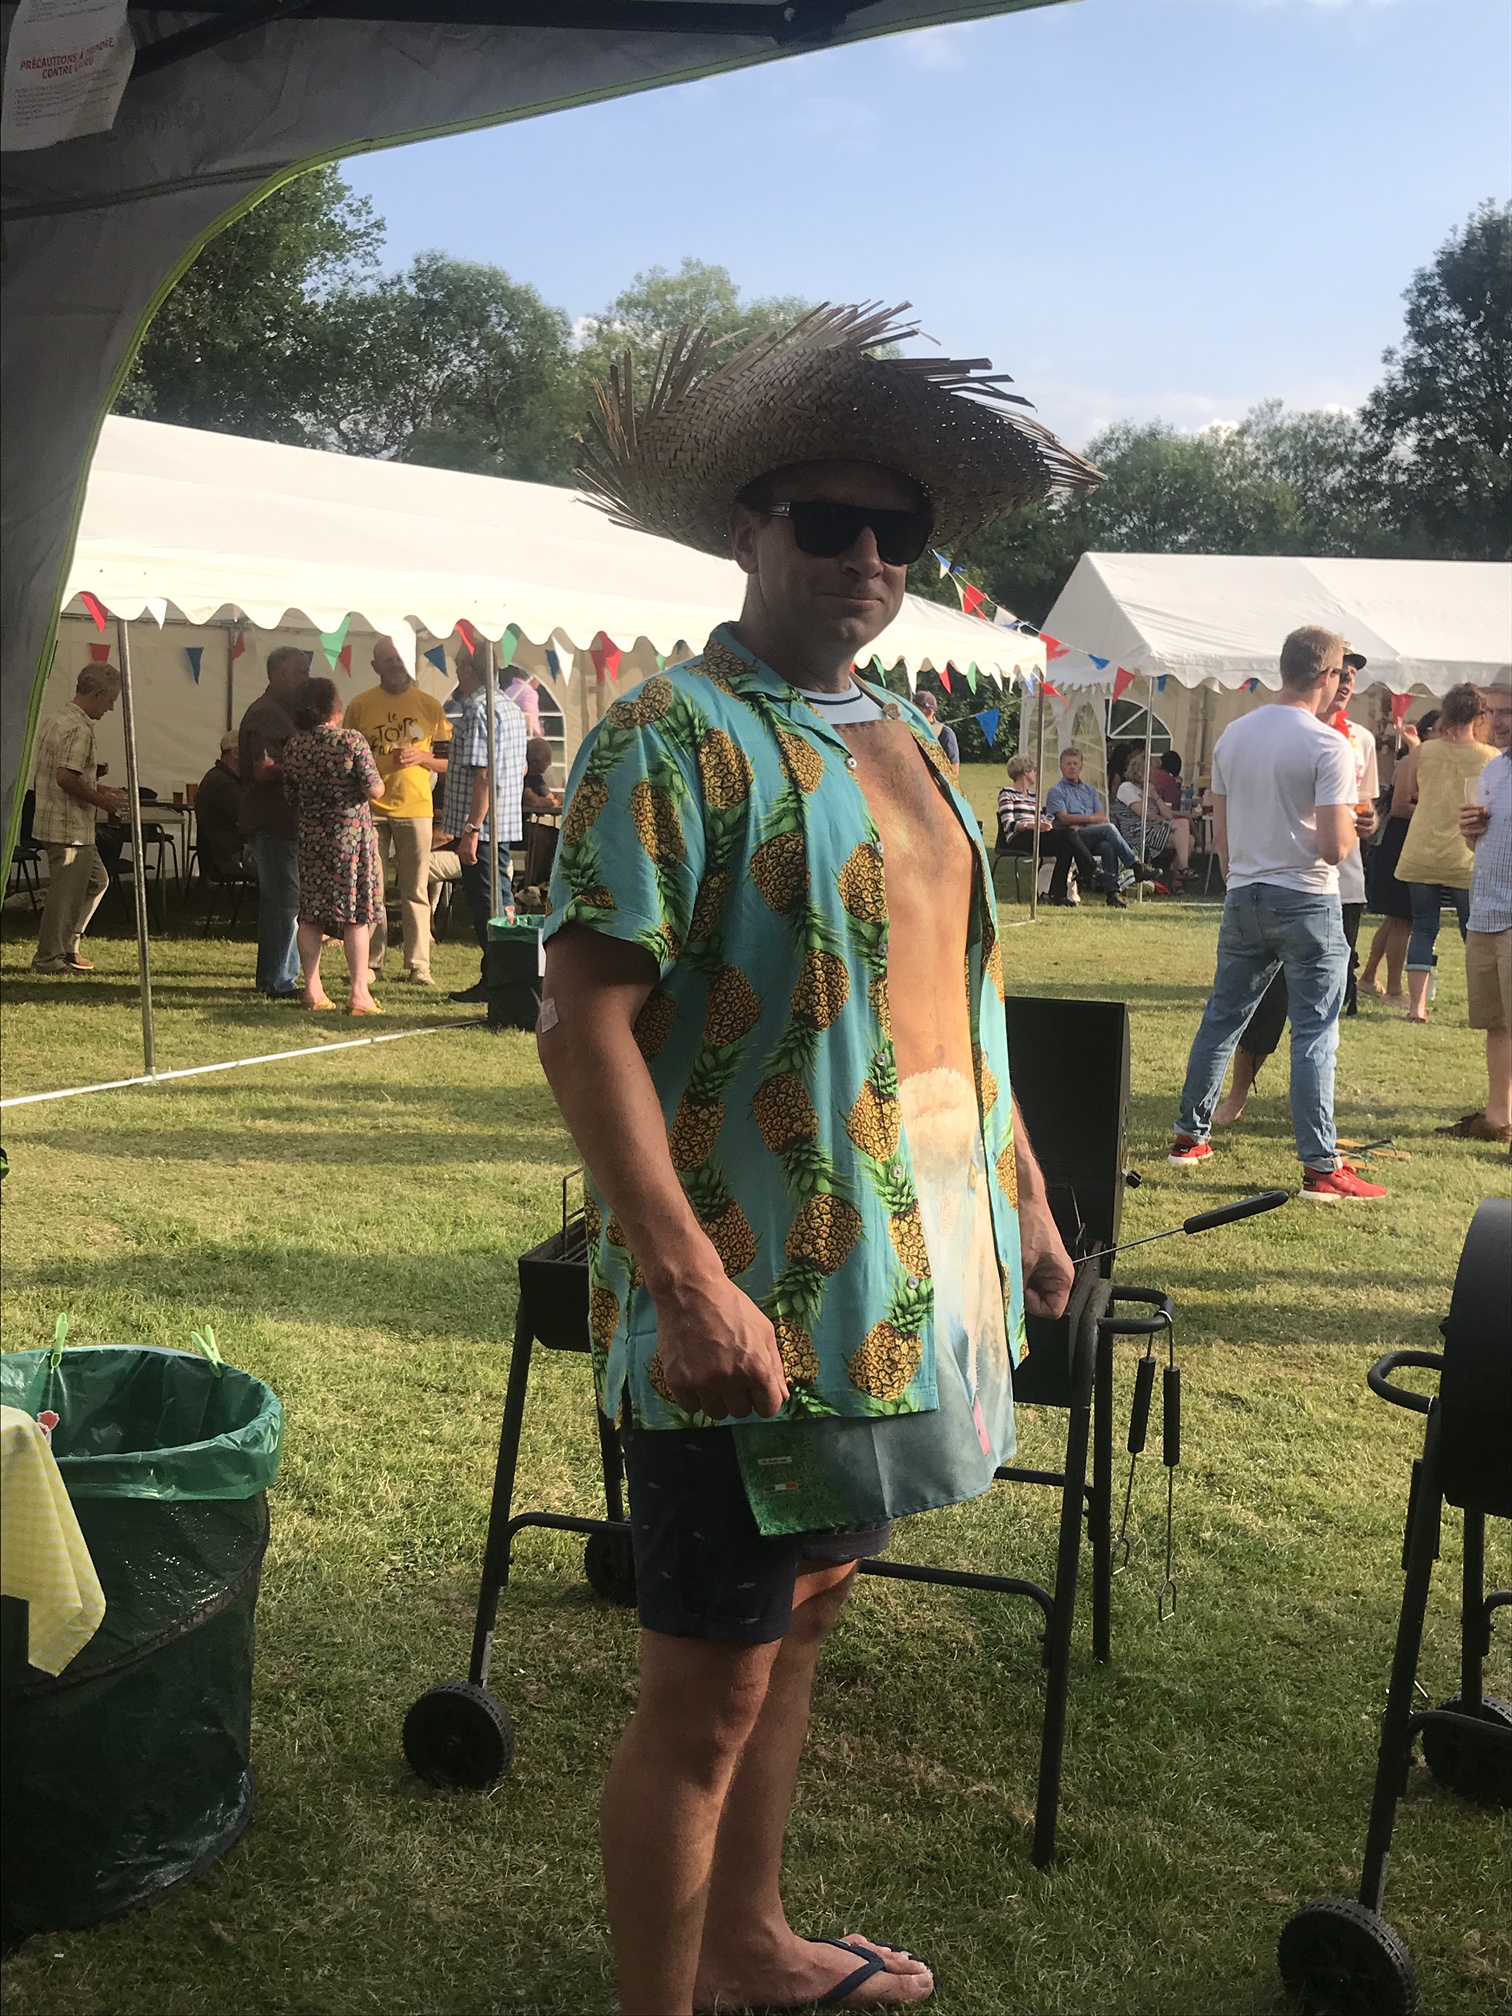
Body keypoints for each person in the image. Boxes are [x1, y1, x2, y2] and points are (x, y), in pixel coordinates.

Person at [542, 304, 1090, 2016]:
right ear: (746, 531)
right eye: (828, 521)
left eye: (895, 532)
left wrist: (1025, 1198)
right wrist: (684, 1282)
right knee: (704, 1691)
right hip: (751, 1292)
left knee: (805, 1619)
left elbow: (954, 1003)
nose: (866, 558)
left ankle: (753, 1945)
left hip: (900, 1285)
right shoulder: (671, 733)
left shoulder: (906, 736)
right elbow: (581, 1022)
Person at [1167, 625, 1386, 1201]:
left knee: (1223, 1018)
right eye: (1341, 675)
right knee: (1314, 1032)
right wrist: (1356, 825)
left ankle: (1190, 1137)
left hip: (1244, 892)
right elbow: (1334, 849)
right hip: (1307, 897)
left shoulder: (1233, 735)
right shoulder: (1328, 744)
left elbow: (1222, 837)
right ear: (1327, 676)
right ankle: (1320, 1166)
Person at [344, 636, 451, 988]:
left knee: (415, 888)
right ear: (375, 666)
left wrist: (423, 757)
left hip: (416, 807)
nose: (394, 664)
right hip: (370, 808)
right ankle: (372, 962)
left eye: (398, 658)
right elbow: (346, 756)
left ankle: (419, 964)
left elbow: (448, 761)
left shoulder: (429, 705)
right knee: (372, 889)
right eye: (387, 659)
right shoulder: (360, 705)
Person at [282, 677, 386, 1015]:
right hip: (350, 838)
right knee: (356, 916)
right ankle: (359, 994)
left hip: (312, 838)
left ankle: (313, 991)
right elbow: (375, 790)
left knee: (311, 915)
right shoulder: (351, 741)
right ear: (331, 707)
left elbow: (290, 795)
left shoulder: (294, 746)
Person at [1393, 682, 1495, 1024]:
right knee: (1473, 934)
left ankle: (1417, 1007)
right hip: (1465, 855)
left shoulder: (1423, 752)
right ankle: (1482, 1005)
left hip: (1421, 850)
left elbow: (1409, 793)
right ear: (1481, 716)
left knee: (1423, 928)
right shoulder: (1490, 757)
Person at [434, 644, 527, 1006]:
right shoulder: (510, 706)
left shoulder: (477, 709)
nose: (456, 672)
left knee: (488, 907)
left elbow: (484, 774)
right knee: (502, 902)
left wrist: (471, 830)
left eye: (459, 665)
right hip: (502, 822)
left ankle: (499, 981)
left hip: (483, 827)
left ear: (468, 669)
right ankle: (509, 975)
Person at [1439, 700, 1512, 1144]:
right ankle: (1498, 1117)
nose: (1497, 722)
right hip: (1486, 911)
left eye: (1509, 712)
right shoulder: (1493, 770)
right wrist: (1471, 835)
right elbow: (1480, 845)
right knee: (1495, 1020)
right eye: (1494, 711)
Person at [30, 663, 126, 975]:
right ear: (96, 693)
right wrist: (103, 802)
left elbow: (64, 773)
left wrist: (97, 786)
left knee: (97, 881)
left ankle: (68, 946)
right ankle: (49, 959)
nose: (111, 708)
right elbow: (65, 778)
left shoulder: (58, 717)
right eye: (110, 700)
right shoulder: (80, 728)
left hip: (57, 822)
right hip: (68, 827)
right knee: (64, 896)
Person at [238, 644, 311, 999]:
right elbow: (263, 769)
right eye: (302, 672)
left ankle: (277, 977)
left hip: (285, 822)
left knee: (284, 902)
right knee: (284, 903)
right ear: (281, 675)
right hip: (273, 821)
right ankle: (279, 979)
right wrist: (308, 766)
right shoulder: (266, 714)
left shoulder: (287, 712)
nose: (307, 679)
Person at [1360, 713, 1432, 1007]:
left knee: (1395, 920)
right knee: (1403, 918)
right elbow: (1401, 806)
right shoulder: (1408, 763)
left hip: (1413, 842)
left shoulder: (1428, 762)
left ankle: (1368, 977)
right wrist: (1436, 812)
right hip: (1400, 843)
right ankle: (1393, 990)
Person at [1044, 747, 1156, 909]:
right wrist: (1091, 820)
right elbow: (1064, 818)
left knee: (1106, 846)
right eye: (1068, 764)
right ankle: (1135, 866)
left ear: (1081, 766)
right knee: (1108, 829)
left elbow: (1101, 814)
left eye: (1075, 763)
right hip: (1070, 837)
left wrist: (1085, 822)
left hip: (1087, 833)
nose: (1072, 767)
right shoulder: (1056, 791)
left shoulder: (1090, 791)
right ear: (1061, 767)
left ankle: (1113, 893)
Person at [996, 751, 1095, 906]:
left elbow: (1042, 819)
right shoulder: (1008, 793)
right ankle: (1092, 871)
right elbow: (1009, 824)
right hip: (1018, 838)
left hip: (1036, 834)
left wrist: (1046, 824)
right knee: (1068, 834)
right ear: (1025, 772)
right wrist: (1034, 825)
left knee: (1066, 846)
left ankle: (1058, 893)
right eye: (1034, 770)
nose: (1036, 774)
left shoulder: (1033, 796)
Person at [1111, 746, 1188, 889]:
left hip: (1153, 829)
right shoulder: (1126, 788)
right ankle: (1181, 872)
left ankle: (1180, 875)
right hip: (1137, 831)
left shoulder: (1149, 790)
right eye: (1153, 771)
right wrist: (1165, 822)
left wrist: (1156, 795)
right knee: (1183, 827)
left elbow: (1169, 815)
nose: (1157, 774)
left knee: (1188, 838)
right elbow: (1143, 813)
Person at [193, 732, 248, 879]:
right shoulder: (223, 784)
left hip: (222, 854)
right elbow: (248, 820)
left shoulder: (219, 778)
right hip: (231, 856)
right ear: (236, 753)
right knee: (279, 855)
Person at [913, 688, 959, 771]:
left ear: (929, 712)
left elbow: (954, 768)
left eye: (916, 709)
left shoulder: (945, 733)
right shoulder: (909, 729)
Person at [522, 736, 562, 815]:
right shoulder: (521, 777)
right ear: (535, 763)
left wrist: (558, 799)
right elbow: (531, 800)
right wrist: (552, 803)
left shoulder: (536, 778)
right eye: (546, 762)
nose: (549, 764)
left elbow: (550, 796)